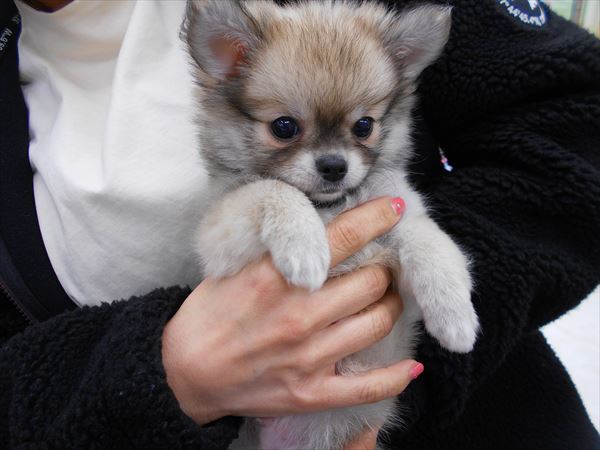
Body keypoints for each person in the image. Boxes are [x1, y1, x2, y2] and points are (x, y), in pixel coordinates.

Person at [0, 0, 599, 449]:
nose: (335, 160)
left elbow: (572, 119)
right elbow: (224, 236)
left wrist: (401, 371)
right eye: (285, 129)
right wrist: (168, 376)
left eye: (363, 127)